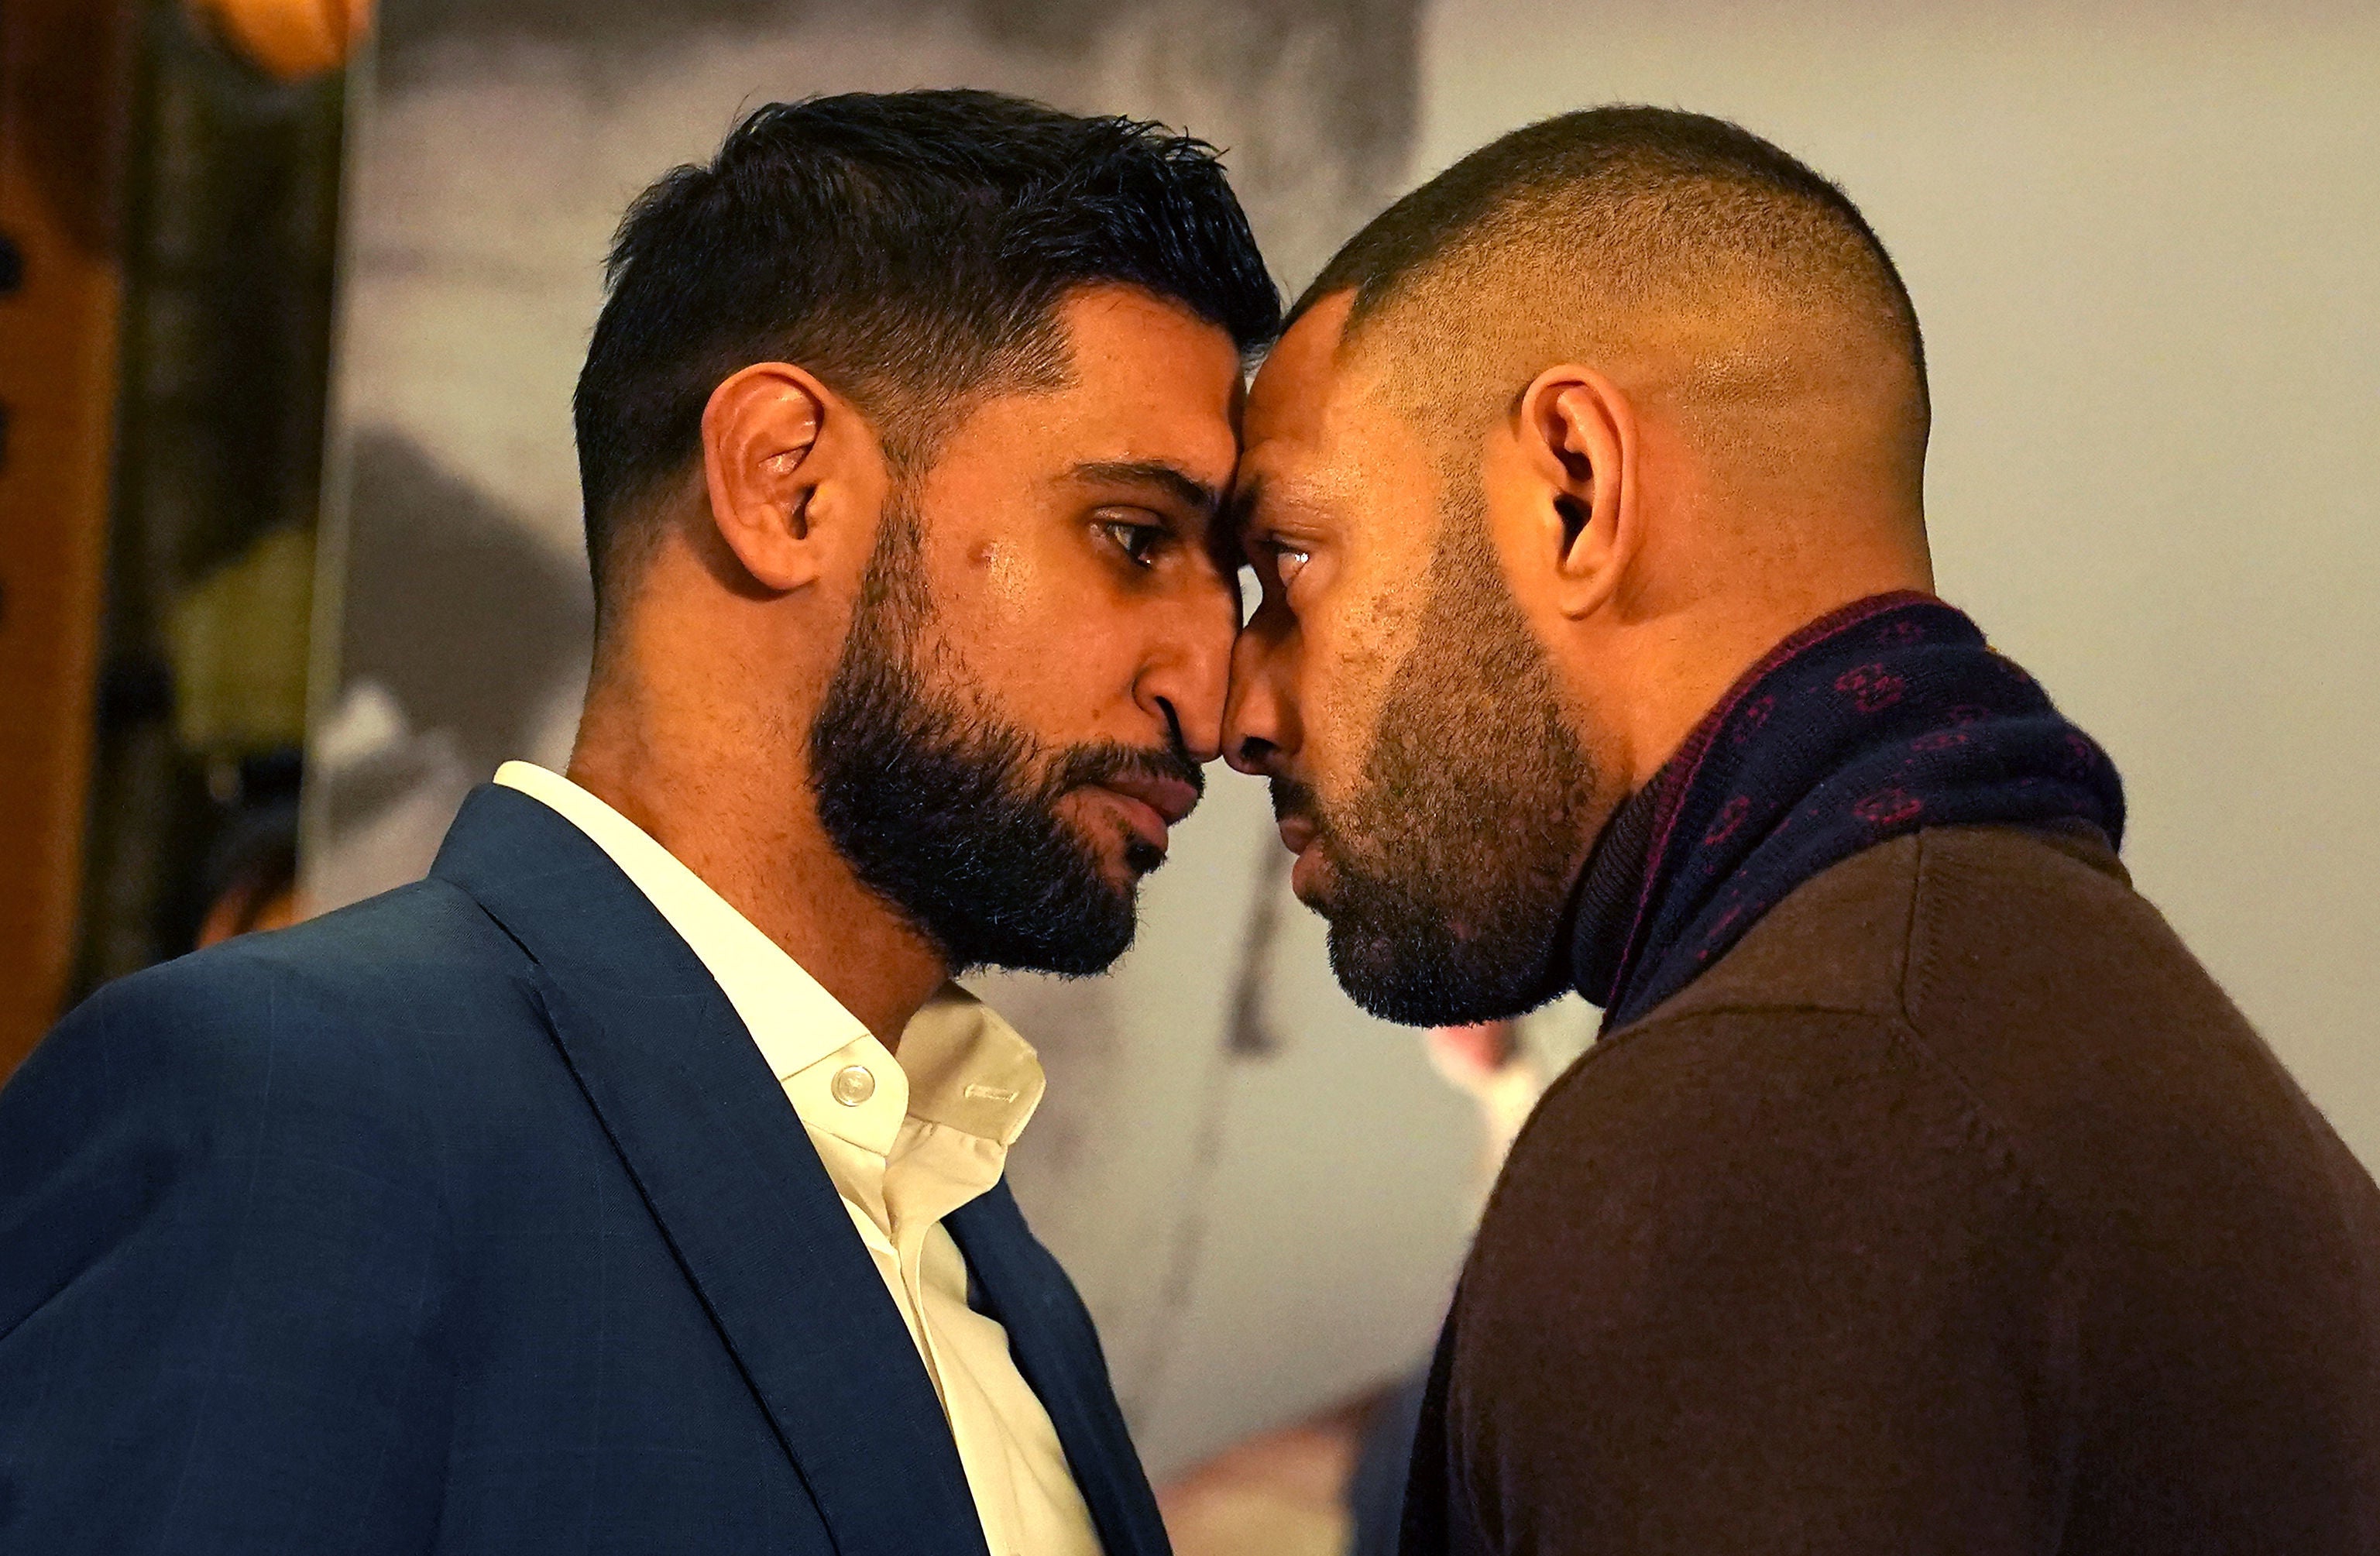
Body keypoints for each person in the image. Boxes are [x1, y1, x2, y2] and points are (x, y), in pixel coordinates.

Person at [0, 90, 1278, 1555]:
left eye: (1234, 571)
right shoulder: (290, 1105)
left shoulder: (1002, 1281)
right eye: (1133, 537)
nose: (1213, 681)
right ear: (784, 484)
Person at [1223, 105, 2380, 1554]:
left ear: (1573, 490)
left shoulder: (1780, 1112)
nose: (1237, 709)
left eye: (1291, 558)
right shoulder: (2048, 1016)